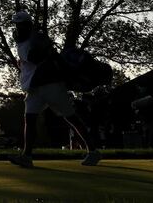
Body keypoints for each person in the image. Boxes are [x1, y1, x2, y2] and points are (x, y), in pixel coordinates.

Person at [8, 11, 101, 168]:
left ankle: (93, 151)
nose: (18, 27)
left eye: (21, 24)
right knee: (29, 120)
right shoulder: (25, 41)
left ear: (28, 25)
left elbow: (36, 58)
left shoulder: (35, 38)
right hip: (34, 88)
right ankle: (27, 156)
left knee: (71, 118)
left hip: (51, 85)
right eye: (16, 25)